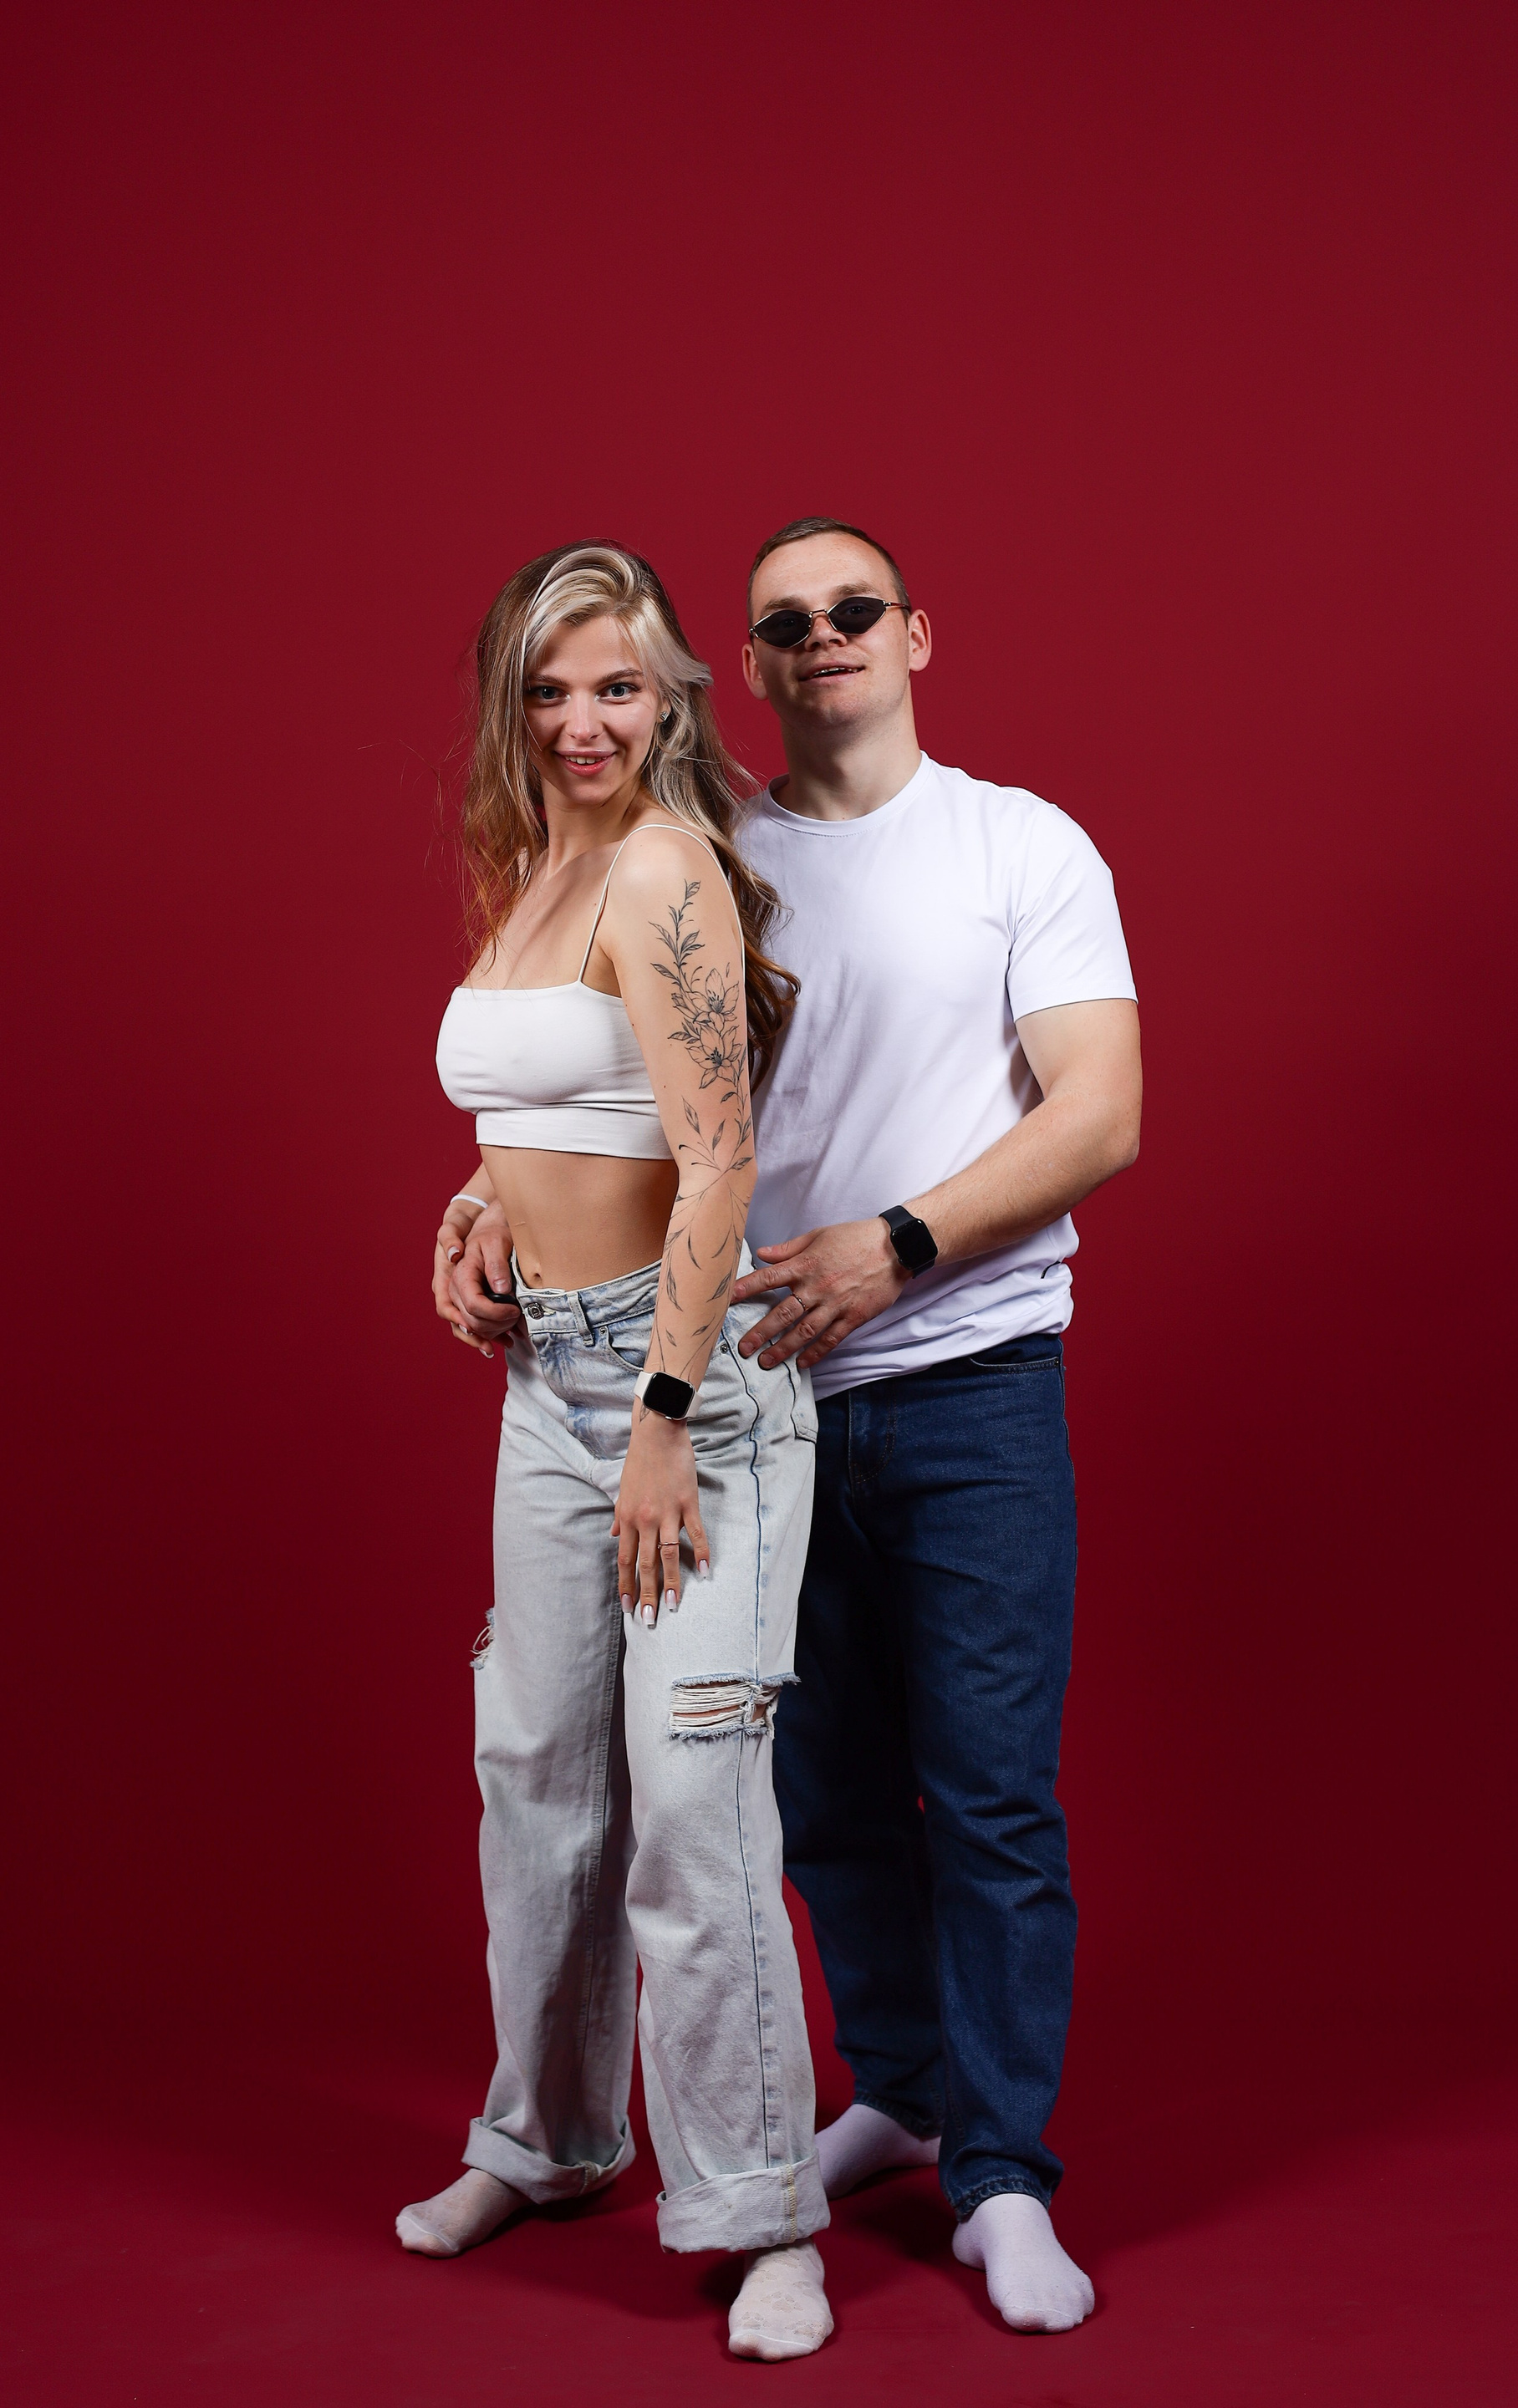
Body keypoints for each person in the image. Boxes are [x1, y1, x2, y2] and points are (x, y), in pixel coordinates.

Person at [409, 542, 833, 2363]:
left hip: (691, 1391)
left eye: (619, 686)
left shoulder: (665, 864)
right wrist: (475, 1209)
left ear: (668, 697)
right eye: (550, 688)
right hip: (546, 1384)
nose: (584, 722)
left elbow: (717, 1158)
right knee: (535, 1782)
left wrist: (663, 1414)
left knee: (690, 1800)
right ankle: (548, 2138)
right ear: (511, 701)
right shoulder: (536, 865)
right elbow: (561, 1102)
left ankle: (760, 2215)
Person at [730, 517, 1143, 2334]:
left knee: (988, 1796)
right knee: (820, 1794)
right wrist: (491, 1195)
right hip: (765, 1403)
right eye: (784, 621)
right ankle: (898, 2088)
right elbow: (616, 1098)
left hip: (976, 1380)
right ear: (755, 664)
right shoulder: (709, 858)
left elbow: (1101, 1109)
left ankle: (1002, 2175)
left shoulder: (1019, 841)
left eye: (852, 607)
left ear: (914, 634)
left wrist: (892, 1246)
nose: (821, 635)